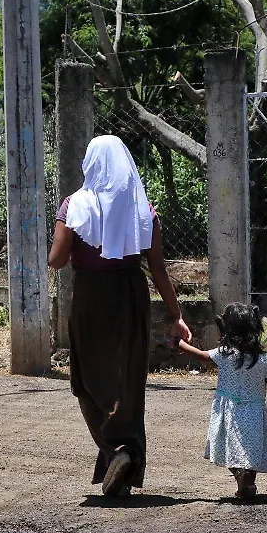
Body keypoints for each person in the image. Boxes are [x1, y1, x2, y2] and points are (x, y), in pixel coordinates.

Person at [48, 135, 192, 498]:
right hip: (131, 297)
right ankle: (123, 468)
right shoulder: (144, 211)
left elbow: (57, 260)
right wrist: (176, 315)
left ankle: (117, 452)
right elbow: (158, 269)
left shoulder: (74, 205)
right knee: (128, 383)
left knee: (86, 379)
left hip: (91, 300)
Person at [171, 302, 267, 500]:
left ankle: (239, 475)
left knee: (227, 446)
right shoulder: (264, 360)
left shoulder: (224, 354)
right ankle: (248, 481)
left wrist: (179, 343)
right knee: (252, 449)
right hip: (254, 411)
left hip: (228, 410)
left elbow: (201, 356)